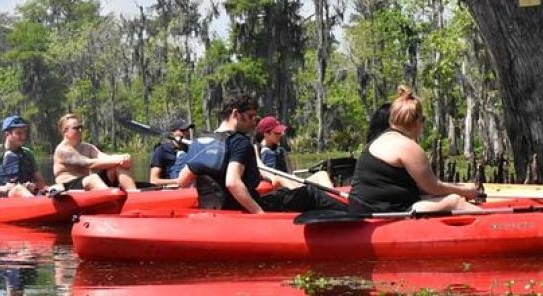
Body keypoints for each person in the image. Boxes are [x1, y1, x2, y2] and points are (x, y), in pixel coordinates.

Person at [177, 93, 346, 213]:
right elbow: (232, 182)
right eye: (250, 117)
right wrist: (259, 214)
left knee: (285, 194)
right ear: (236, 114)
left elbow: (183, 181)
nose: (253, 123)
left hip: (217, 210)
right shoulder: (239, 141)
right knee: (309, 194)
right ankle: (360, 219)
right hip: (243, 209)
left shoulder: (202, 141)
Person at [349, 86, 479, 214]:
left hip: (364, 207)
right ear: (417, 122)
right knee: (455, 201)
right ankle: (497, 225)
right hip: (386, 211)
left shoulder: (377, 141)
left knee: (437, 198)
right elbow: (433, 187)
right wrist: (467, 191)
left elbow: (422, 188)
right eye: (422, 120)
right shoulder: (408, 147)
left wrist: (459, 187)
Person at [53, 113, 136, 191]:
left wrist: (123, 158)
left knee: (118, 167)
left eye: (81, 127)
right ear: (65, 131)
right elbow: (89, 163)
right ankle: (111, 200)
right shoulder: (62, 151)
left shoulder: (87, 147)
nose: (80, 130)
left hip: (87, 183)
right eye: (76, 128)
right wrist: (119, 159)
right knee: (93, 178)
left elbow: (104, 158)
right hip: (69, 186)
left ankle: (134, 196)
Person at [0, 116, 48, 198]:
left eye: (24, 133)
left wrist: (33, 186)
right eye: (19, 133)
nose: (23, 137)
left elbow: (41, 183)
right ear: (7, 134)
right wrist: (4, 188)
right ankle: (36, 205)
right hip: (2, 198)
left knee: (55, 188)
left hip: (25, 195)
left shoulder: (28, 153)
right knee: (18, 189)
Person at [149, 118, 195, 187]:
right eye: (182, 130)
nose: (186, 133)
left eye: (187, 130)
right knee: (182, 155)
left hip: (190, 186)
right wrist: (177, 181)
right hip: (172, 188)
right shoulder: (161, 150)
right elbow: (154, 180)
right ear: (173, 133)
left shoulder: (191, 149)